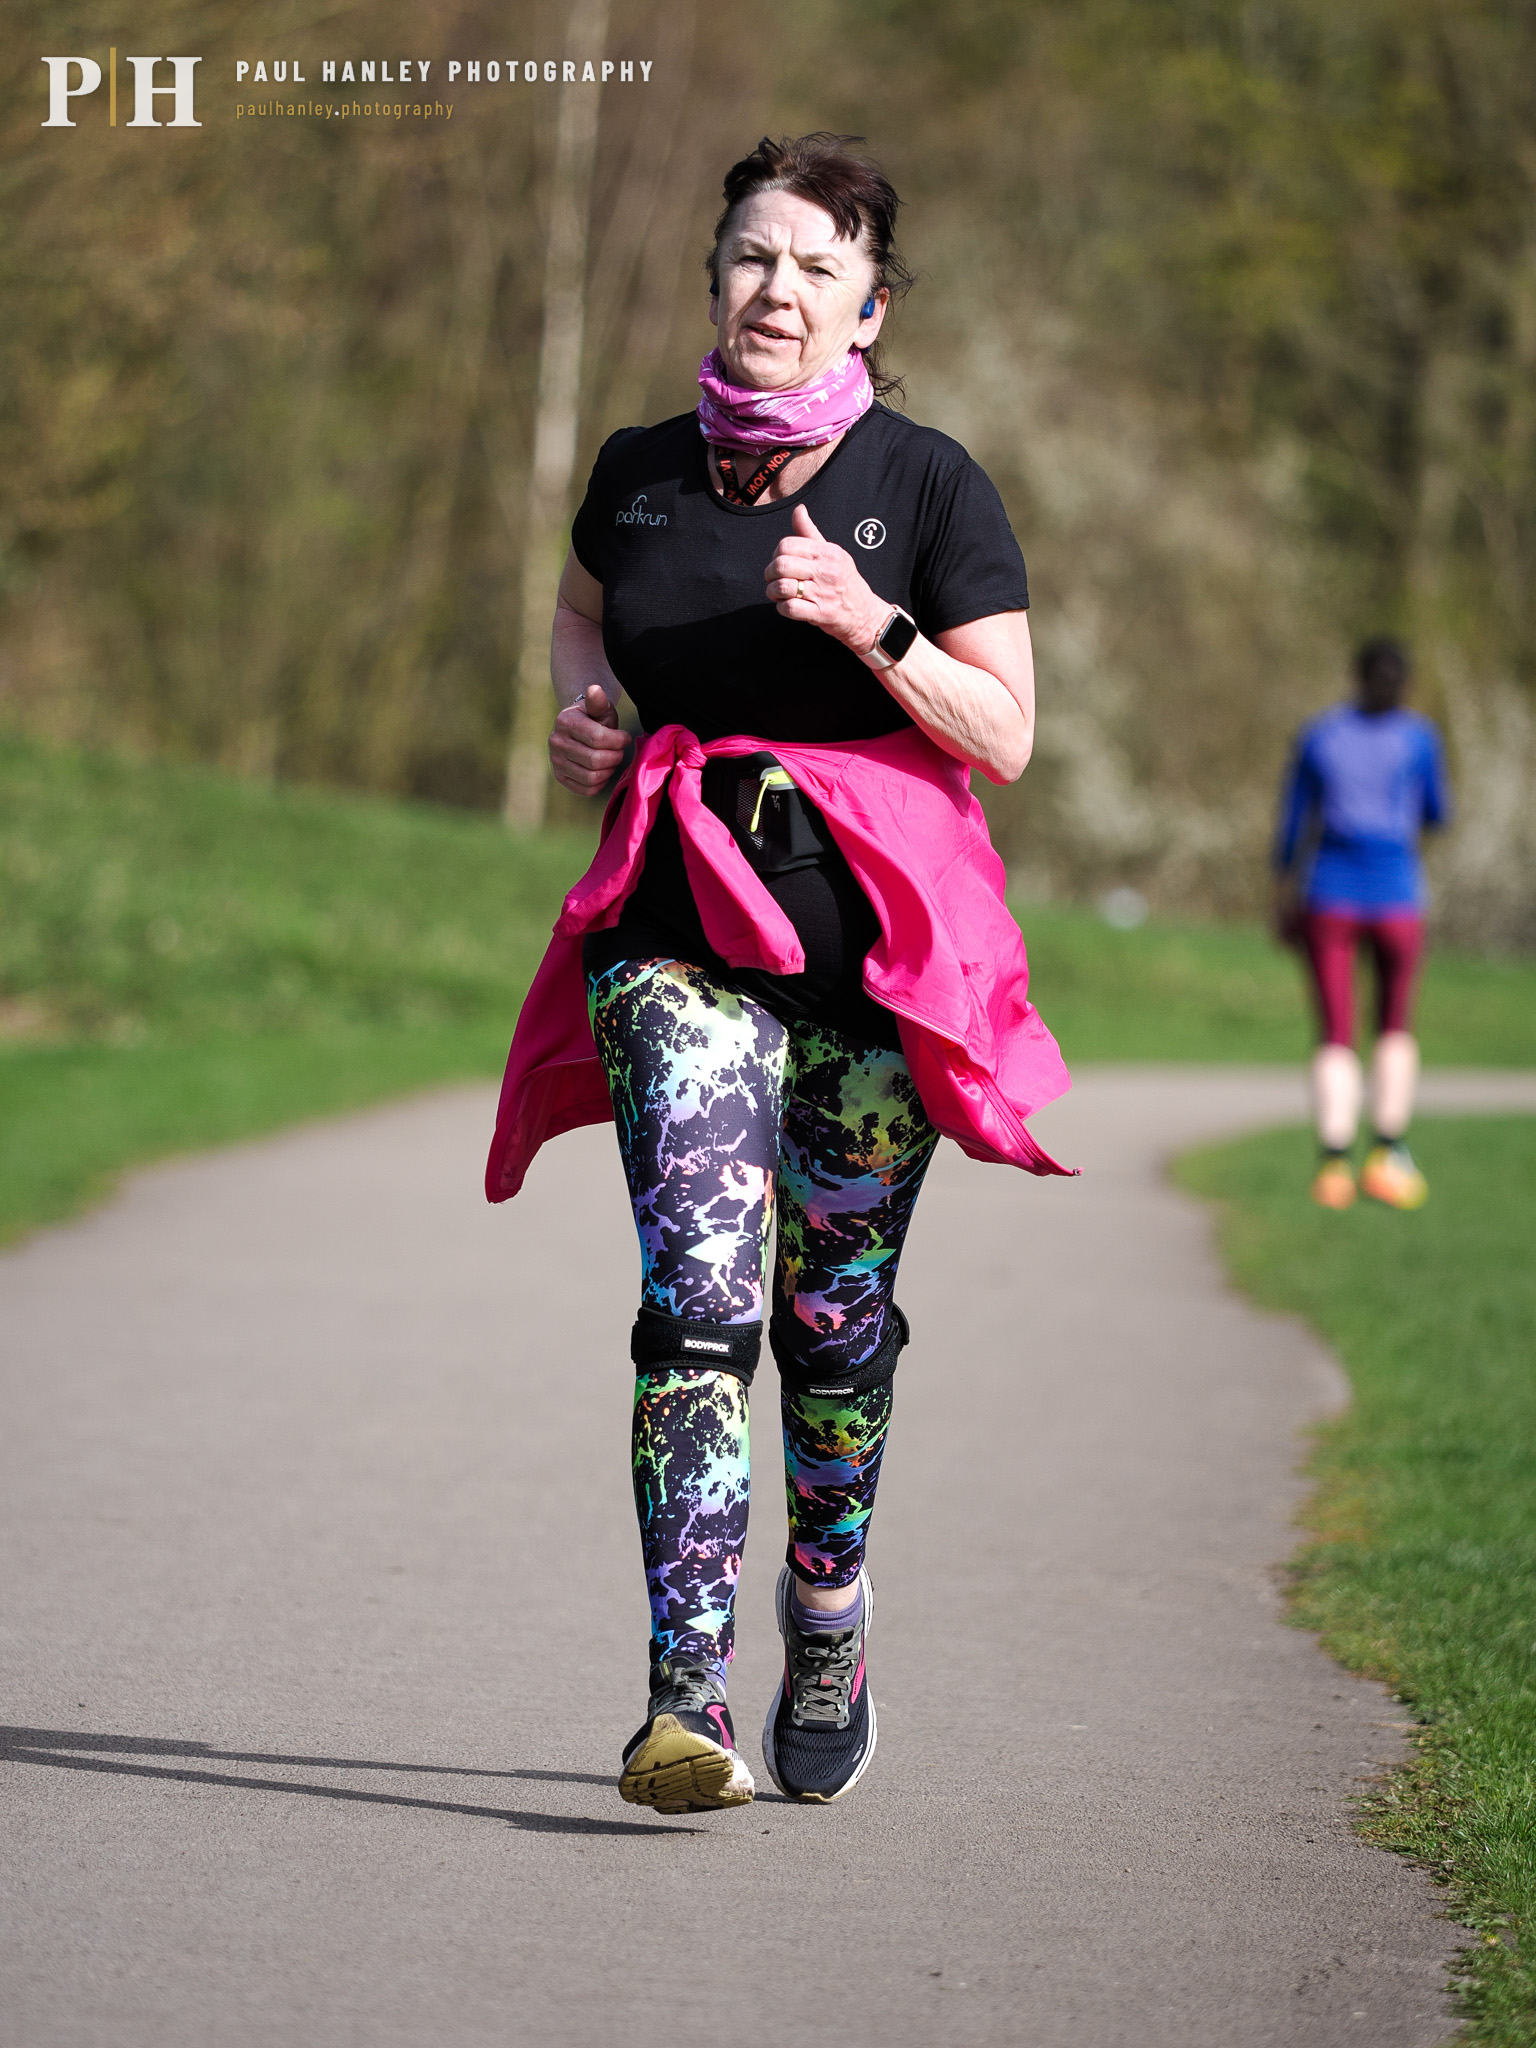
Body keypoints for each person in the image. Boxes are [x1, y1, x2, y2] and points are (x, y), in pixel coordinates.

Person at [485, 134, 1071, 1813]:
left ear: (868, 304)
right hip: (673, 937)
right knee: (697, 1302)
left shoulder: (931, 485)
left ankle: (825, 1615)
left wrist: (873, 627)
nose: (778, 289)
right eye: (752, 256)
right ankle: (686, 1689)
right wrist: (588, 706)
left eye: (817, 265)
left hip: (870, 975)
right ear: (715, 277)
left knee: (831, 1324)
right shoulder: (641, 470)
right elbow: (586, 603)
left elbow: (1008, 735)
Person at [1274, 637, 1450, 1210]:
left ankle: (1333, 1165)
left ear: (1356, 675)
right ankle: (1387, 1151)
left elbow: (1293, 825)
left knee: (1335, 1032)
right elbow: (1436, 814)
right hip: (1398, 893)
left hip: (1329, 893)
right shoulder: (1420, 739)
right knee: (1395, 1024)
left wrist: (1282, 895)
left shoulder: (1321, 734)